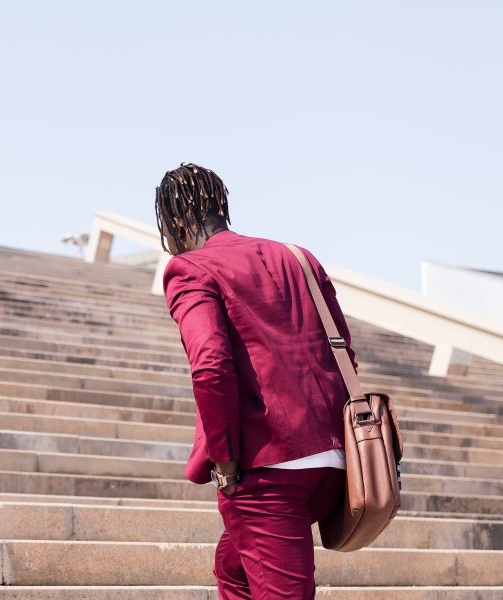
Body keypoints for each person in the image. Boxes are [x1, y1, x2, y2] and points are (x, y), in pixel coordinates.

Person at [156, 162, 359, 599]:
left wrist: (226, 464)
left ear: (174, 221)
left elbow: (210, 365)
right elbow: (344, 352)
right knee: (233, 569)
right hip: (335, 462)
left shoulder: (191, 268)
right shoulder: (298, 257)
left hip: (268, 472)